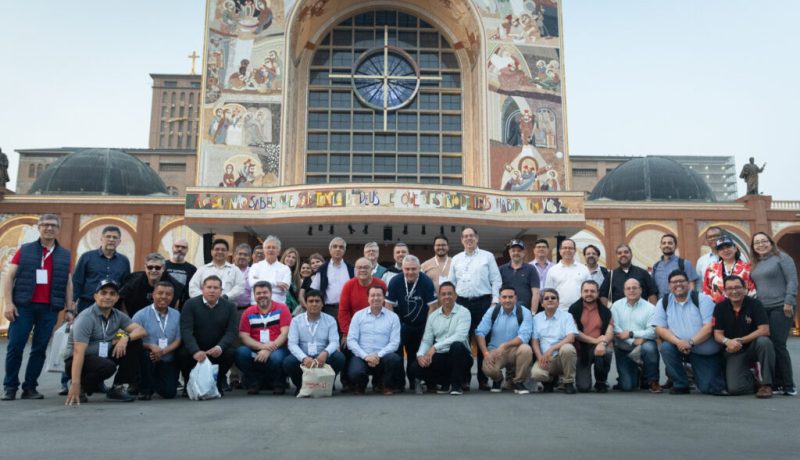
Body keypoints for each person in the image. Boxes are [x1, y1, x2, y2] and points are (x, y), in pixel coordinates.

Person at [2, 214, 72, 401]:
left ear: (58, 229)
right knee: (15, 347)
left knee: (39, 349)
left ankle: (30, 387)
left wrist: (70, 308)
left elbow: (68, 283)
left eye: (53, 225)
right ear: (39, 227)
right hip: (23, 306)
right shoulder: (24, 250)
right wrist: (8, 303)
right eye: (45, 225)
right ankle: (10, 387)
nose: (49, 228)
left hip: (49, 308)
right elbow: (9, 276)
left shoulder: (65, 255)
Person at [64, 279, 147, 405]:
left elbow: (140, 330)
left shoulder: (117, 315)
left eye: (112, 293)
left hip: (101, 357)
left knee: (134, 343)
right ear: (95, 296)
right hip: (78, 359)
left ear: (117, 297)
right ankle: (80, 386)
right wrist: (75, 383)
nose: (108, 297)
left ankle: (117, 388)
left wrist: (125, 338)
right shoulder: (86, 318)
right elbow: (78, 351)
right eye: (103, 293)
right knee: (107, 366)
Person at [652, 270, 725, 395]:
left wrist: (690, 342)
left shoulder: (702, 299)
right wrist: (679, 342)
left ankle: (696, 373)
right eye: (674, 282)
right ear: (669, 286)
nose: (678, 284)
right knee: (666, 347)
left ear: (688, 283)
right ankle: (681, 384)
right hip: (679, 347)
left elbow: (708, 328)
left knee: (708, 388)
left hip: (703, 350)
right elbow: (660, 328)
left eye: (681, 281)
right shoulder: (663, 302)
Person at [451, 227, 502, 391]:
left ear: (477, 238)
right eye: (465, 236)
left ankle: (483, 379)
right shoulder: (456, 259)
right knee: (463, 341)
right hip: (461, 304)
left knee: (483, 341)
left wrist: (494, 302)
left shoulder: (487, 256)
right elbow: (451, 283)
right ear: (461, 240)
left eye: (471, 236)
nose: (469, 239)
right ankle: (464, 379)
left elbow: (496, 280)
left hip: (483, 303)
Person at [750, 232, 797, 396]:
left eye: (764, 241)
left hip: (781, 306)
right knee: (768, 345)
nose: (761, 245)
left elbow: (792, 279)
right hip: (763, 309)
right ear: (753, 247)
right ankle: (776, 383)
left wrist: (789, 300)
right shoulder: (756, 263)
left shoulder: (782, 258)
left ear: (771, 242)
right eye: (757, 243)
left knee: (778, 344)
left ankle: (788, 384)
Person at [713, 275, 775, 398]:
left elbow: (764, 330)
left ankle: (767, 385)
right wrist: (727, 342)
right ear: (725, 291)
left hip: (753, 346)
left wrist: (741, 340)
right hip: (734, 350)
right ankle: (753, 380)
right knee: (735, 389)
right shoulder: (720, 307)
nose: (734, 291)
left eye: (737, 287)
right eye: (730, 288)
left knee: (764, 342)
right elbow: (717, 335)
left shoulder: (755, 304)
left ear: (745, 288)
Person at [177, 275, 238, 395]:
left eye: (216, 288)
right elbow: (186, 330)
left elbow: (231, 331)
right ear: (202, 289)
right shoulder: (190, 304)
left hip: (217, 348)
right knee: (182, 353)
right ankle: (189, 383)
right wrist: (195, 351)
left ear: (221, 291)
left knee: (231, 352)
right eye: (209, 287)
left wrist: (220, 347)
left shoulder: (230, 307)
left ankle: (218, 382)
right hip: (196, 348)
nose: (212, 290)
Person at [408, 282, 472, 395]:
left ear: (455, 296)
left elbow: (460, 336)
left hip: (460, 356)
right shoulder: (433, 316)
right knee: (415, 367)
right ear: (439, 297)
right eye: (443, 294)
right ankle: (444, 382)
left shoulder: (464, 312)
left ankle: (456, 386)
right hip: (441, 356)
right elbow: (427, 340)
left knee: (457, 346)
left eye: (450, 294)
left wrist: (435, 347)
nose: (447, 297)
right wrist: (420, 355)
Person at [385, 255, 438, 390]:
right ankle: (399, 383)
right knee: (397, 353)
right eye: (407, 269)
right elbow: (389, 305)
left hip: (421, 324)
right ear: (402, 268)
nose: (410, 272)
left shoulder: (426, 281)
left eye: (414, 269)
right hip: (401, 324)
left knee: (415, 353)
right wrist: (393, 328)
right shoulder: (395, 281)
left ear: (419, 268)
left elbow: (432, 307)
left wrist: (428, 330)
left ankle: (415, 380)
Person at [337, 258, 387, 392]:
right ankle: (349, 382)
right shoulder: (349, 285)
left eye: (366, 267)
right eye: (359, 267)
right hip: (354, 329)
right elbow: (343, 311)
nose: (362, 270)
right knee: (346, 346)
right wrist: (346, 333)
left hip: (378, 326)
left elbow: (386, 308)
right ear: (355, 270)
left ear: (372, 270)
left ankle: (380, 382)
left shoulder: (380, 284)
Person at [283, 289, 345, 395]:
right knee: (288, 362)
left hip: (323, 355)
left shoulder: (330, 320)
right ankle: (301, 385)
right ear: (306, 303)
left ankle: (328, 383)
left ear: (322, 304)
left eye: (317, 301)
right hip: (304, 355)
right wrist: (304, 358)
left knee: (339, 358)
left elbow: (334, 341)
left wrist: (325, 353)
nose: (314, 304)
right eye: (311, 301)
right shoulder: (296, 320)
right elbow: (292, 344)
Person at [235, 281, 292, 395]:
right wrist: (262, 347)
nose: (262, 295)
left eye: (265, 292)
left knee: (276, 357)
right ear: (254, 295)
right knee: (240, 353)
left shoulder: (282, 309)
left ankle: (278, 382)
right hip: (256, 348)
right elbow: (244, 336)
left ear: (271, 293)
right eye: (258, 293)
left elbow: (285, 333)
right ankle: (254, 382)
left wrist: (268, 349)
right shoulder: (248, 312)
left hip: (277, 348)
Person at [475, 285, 534, 395]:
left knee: (526, 349)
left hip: (515, 350)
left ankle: (518, 381)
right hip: (495, 351)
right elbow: (480, 332)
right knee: (488, 369)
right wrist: (486, 353)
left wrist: (504, 346)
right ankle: (498, 379)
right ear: (499, 298)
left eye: (510, 297)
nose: (507, 300)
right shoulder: (492, 311)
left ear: (516, 298)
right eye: (504, 297)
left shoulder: (524, 312)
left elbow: (524, 336)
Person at [346, 286, 403, 395]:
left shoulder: (393, 317)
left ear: (383, 298)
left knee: (394, 359)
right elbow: (351, 341)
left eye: (379, 295)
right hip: (362, 356)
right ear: (368, 298)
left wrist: (378, 355)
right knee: (355, 372)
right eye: (373, 295)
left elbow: (394, 343)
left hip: (383, 357)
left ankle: (383, 384)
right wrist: (366, 356)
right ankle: (360, 385)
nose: (376, 298)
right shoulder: (358, 316)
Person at [131, 282, 182, 400]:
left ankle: (154, 383)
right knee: (146, 356)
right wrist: (150, 346)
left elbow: (178, 340)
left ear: (172, 297)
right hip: (148, 357)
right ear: (153, 295)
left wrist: (163, 352)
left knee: (169, 393)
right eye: (160, 293)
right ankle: (143, 388)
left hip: (167, 359)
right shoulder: (141, 315)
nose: (164, 296)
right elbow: (132, 339)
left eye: (168, 294)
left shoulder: (177, 315)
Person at [611, 278, 661, 393]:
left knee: (649, 347)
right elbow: (615, 328)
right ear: (624, 291)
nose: (631, 290)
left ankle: (653, 381)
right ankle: (638, 371)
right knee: (627, 386)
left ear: (641, 290)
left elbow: (653, 331)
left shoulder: (650, 308)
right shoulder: (616, 306)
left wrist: (631, 334)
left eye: (634, 288)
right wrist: (632, 340)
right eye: (628, 288)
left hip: (643, 345)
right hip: (624, 348)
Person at [72, 225, 131, 313]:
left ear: (119, 241)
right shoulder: (87, 257)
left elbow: (125, 285)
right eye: (108, 236)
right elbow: (77, 281)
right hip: (87, 304)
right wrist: (72, 304)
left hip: (113, 307)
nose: (111, 240)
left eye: (115, 237)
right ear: (101, 238)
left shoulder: (124, 261)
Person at [531, 288, 579, 394]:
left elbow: (571, 338)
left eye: (553, 298)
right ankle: (550, 381)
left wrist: (552, 348)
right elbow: (535, 341)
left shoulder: (567, 316)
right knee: (536, 374)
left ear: (558, 302)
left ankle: (568, 382)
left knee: (568, 348)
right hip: (545, 358)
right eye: (546, 298)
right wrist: (540, 358)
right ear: (542, 303)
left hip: (562, 357)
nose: (550, 300)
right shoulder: (536, 319)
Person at [568, 281, 613, 393]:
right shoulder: (573, 309)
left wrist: (601, 343)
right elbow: (575, 332)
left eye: (592, 291)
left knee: (607, 351)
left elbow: (609, 332)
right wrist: (596, 341)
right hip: (580, 351)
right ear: (581, 293)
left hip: (597, 348)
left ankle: (601, 382)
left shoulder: (605, 311)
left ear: (598, 293)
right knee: (583, 387)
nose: (589, 293)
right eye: (586, 291)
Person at [119, 253, 185, 317]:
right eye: (150, 267)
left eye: (157, 267)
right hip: (137, 320)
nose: (153, 270)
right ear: (145, 267)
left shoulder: (174, 285)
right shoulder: (133, 282)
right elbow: (121, 300)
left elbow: (177, 304)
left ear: (163, 268)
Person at [310, 237, 354, 319]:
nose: (338, 249)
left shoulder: (351, 268)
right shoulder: (323, 269)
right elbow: (315, 291)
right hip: (328, 310)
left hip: (347, 310)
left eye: (341, 247)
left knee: (345, 332)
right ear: (330, 250)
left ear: (344, 251)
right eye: (335, 246)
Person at [703, 236, 755, 304]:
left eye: (728, 247)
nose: (726, 250)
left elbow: (752, 290)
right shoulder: (711, 268)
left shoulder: (747, 267)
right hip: (718, 308)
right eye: (721, 249)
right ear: (718, 252)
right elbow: (706, 291)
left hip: (743, 306)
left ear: (735, 248)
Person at [544, 239, 590, 311]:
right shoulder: (552, 270)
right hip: (559, 310)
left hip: (581, 310)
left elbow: (589, 289)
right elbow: (548, 292)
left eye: (570, 248)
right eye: (565, 248)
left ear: (575, 251)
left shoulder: (584, 269)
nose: (567, 250)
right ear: (560, 251)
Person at [499, 239, 540, 313]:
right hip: (505, 312)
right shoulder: (501, 269)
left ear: (523, 253)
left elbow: (536, 293)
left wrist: (533, 313)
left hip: (525, 312)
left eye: (519, 251)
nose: (516, 253)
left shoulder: (531, 269)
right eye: (513, 250)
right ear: (509, 252)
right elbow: (496, 291)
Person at [248, 236, 291, 305]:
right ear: (264, 250)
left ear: (278, 252)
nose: (271, 250)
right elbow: (252, 283)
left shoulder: (285, 268)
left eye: (274, 247)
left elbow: (285, 288)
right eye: (268, 247)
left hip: (278, 307)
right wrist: (276, 283)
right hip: (256, 306)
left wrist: (260, 282)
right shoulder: (255, 266)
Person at [530, 239, 554, 306]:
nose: (541, 249)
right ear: (534, 250)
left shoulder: (554, 267)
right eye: (538, 247)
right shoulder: (528, 267)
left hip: (550, 301)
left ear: (548, 250)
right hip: (532, 301)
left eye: (543, 247)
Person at [280, 247, 302, 312]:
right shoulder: (276, 271)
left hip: (293, 310)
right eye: (288, 256)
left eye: (293, 258)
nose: (290, 259)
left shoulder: (297, 277)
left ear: (296, 261)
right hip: (280, 307)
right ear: (284, 257)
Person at [232, 243, 253, 309]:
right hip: (228, 308)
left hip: (246, 308)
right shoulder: (227, 270)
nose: (242, 256)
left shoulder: (253, 272)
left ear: (249, 258)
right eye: (240, 254)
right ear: (234, 256)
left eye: (245, 255)